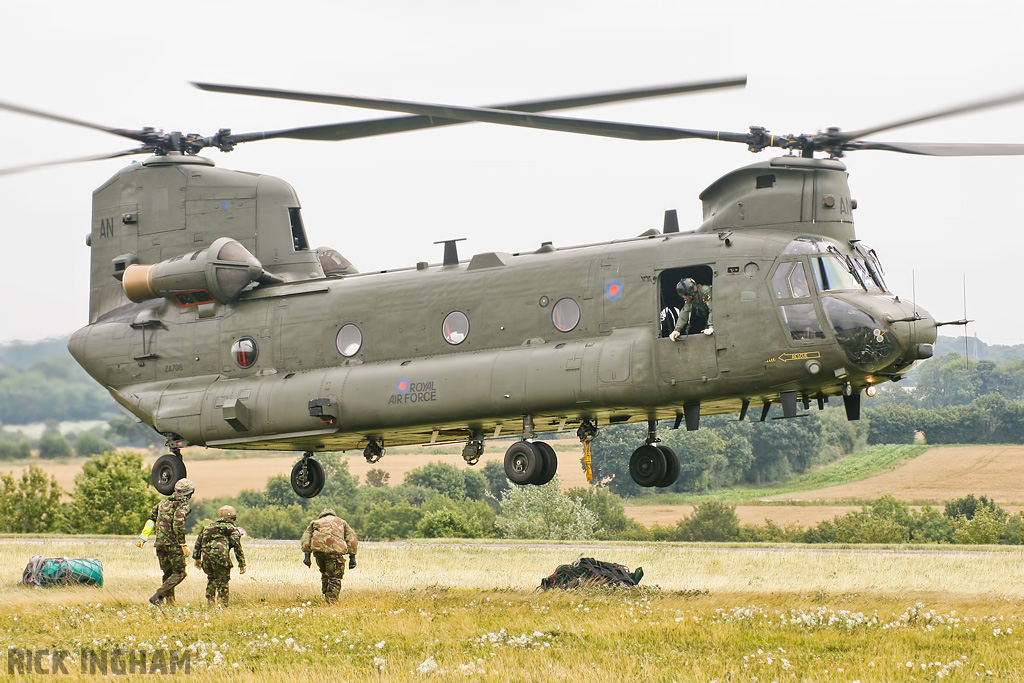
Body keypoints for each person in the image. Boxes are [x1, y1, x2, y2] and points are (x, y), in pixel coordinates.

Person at [138, 478, 194, 606]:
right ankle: (158, 595)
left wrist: (143, 537)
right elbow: (178, 523)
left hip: (159, 544)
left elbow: (151, 519)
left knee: (168, 573)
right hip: (173, 544)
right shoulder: (183, 505)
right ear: (188, 493)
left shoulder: (162, 503)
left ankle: (170, 603)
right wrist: (183, 544)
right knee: (180, 573)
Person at [300, 508, 358, 604]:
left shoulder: (316, 522)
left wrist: (307, 556)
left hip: (319, 552)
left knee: (325, 573)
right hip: (335, 551)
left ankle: (326, 596)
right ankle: (332, 602)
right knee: (334, 576)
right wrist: (352, 557)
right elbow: (352, 538)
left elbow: (306, 538)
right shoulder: (341, 522)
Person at [193, 505, 246, 606]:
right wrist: (242, 564)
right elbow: (237, 547)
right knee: (223, 581)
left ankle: (210, 601)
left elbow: (198, 544)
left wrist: (197, 559)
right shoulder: (231, 529)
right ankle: (223, 603)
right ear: (232, 519)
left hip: (206, 558)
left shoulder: (207, 527)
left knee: (211, 578)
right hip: (221, 558)